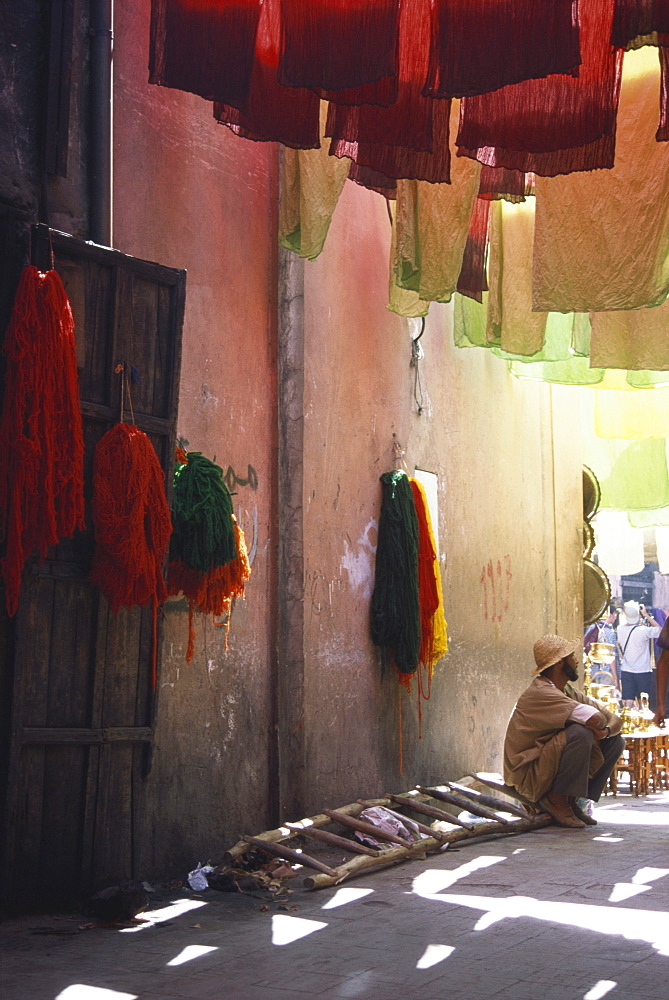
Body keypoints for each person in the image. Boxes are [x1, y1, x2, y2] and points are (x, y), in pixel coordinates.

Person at [504, 635, 625, 829]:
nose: (577, 661)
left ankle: (571, 801)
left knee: (615, 741)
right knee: (580, 733)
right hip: (528, 773)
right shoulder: (543, 692)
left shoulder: (566, 690)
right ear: (560, 663)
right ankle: (557, 802)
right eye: (572, 657)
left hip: (547, 763)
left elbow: (615, 719)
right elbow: (597, 718)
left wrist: (606, 731)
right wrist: (599, 726)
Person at [616, 601, 661, 710]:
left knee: (628, 702)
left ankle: (627, 723)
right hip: (643, 671)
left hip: (627, 669)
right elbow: (661, 630)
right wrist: (646, 615)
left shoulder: (619, 629)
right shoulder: (643, 631)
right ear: (638, 615)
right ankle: (642, 723)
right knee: (643, 703)